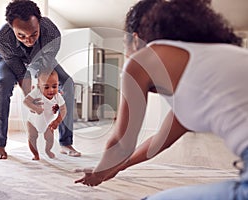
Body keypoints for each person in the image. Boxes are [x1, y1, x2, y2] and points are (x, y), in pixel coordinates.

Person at [75, 0, 248, 199]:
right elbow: (159, 142)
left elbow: (121, 144)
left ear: (136, 39)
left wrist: (98, 173)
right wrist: (113, 169)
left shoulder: (142, 60)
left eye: (125, 46)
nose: (128, 55)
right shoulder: (204, 76)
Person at [0, 0, 80, 159]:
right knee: (2, 85)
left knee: (67, 82)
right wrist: (32, 101)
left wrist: (52, 97)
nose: (29, 40)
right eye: (21, 35)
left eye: (34, 34)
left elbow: (45, 71)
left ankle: (66, 143)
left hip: (42, 59)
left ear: (39, 24)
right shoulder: (2, 39)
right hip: (10, 59)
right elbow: (21, 74)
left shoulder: (52, 33)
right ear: (12, 28)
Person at [24, 69, 66, 160]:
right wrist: (35, 108)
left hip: (48, 123)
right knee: (32, 138)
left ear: (58, 84)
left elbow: (63, 109)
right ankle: (35, 154)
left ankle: (48, 150)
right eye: (46, 87)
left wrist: (57, 121)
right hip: (33, 122)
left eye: (54, 86)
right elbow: (26, 101)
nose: (51, 90)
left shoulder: (57, 96)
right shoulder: (36, 92)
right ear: (39, 86)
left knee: (50, 139)